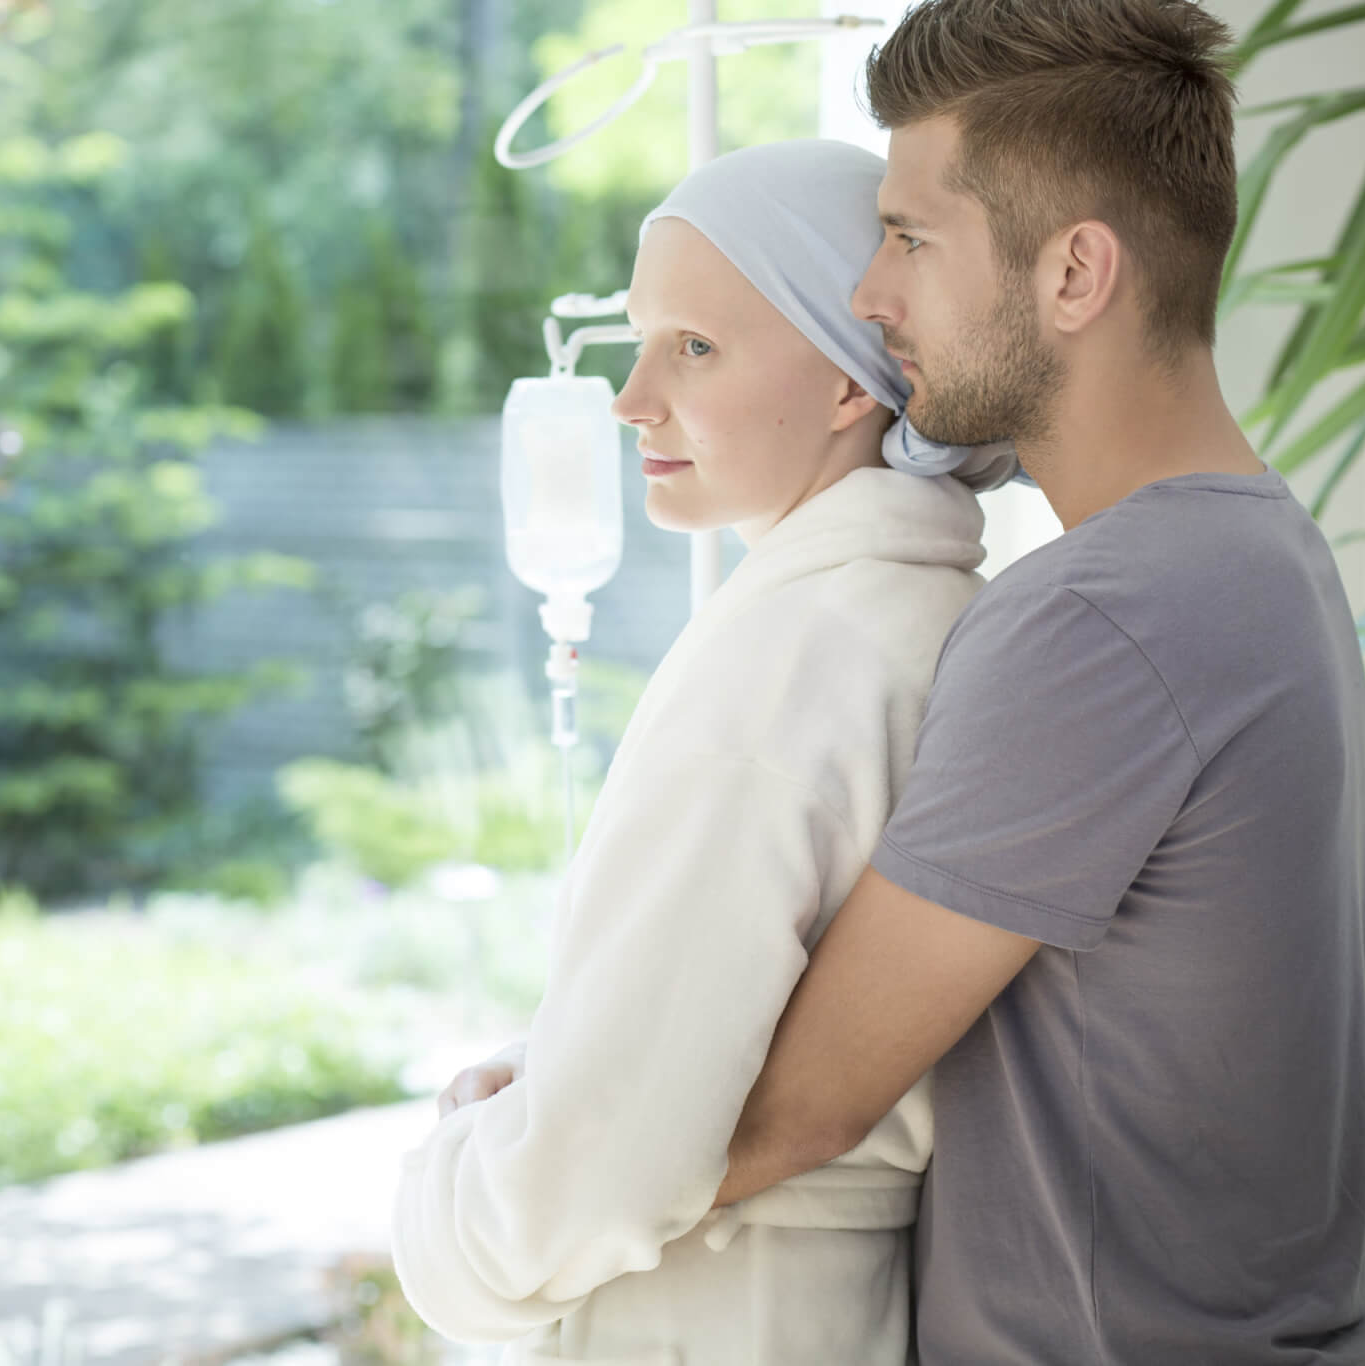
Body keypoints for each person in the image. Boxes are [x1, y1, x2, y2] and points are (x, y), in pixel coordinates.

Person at [715, 2, 1365, 1363]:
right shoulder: (1261, 548)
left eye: (910, 237)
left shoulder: (1100, 613)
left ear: (1075, 273)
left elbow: (796, 1105)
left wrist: (506, 1177)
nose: (870, 293)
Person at [390, 137, 1014, 1365]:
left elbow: (602, 1160)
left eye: (694, 347)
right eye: (640, 341)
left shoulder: (796, 656)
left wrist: (448, 1202)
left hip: (714, 1313)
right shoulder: (913, 616)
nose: (629, 399)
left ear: (852, 383)